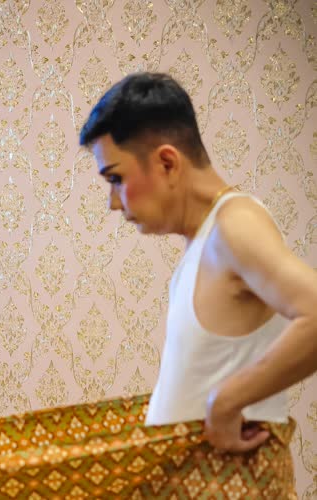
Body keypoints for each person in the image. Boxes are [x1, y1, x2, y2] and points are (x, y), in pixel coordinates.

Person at [79, 72, 317, 494]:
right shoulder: (206, 239)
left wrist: (228, 401)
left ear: (167, 163)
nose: (113, 202)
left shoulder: (235, 225)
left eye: (115, 178)